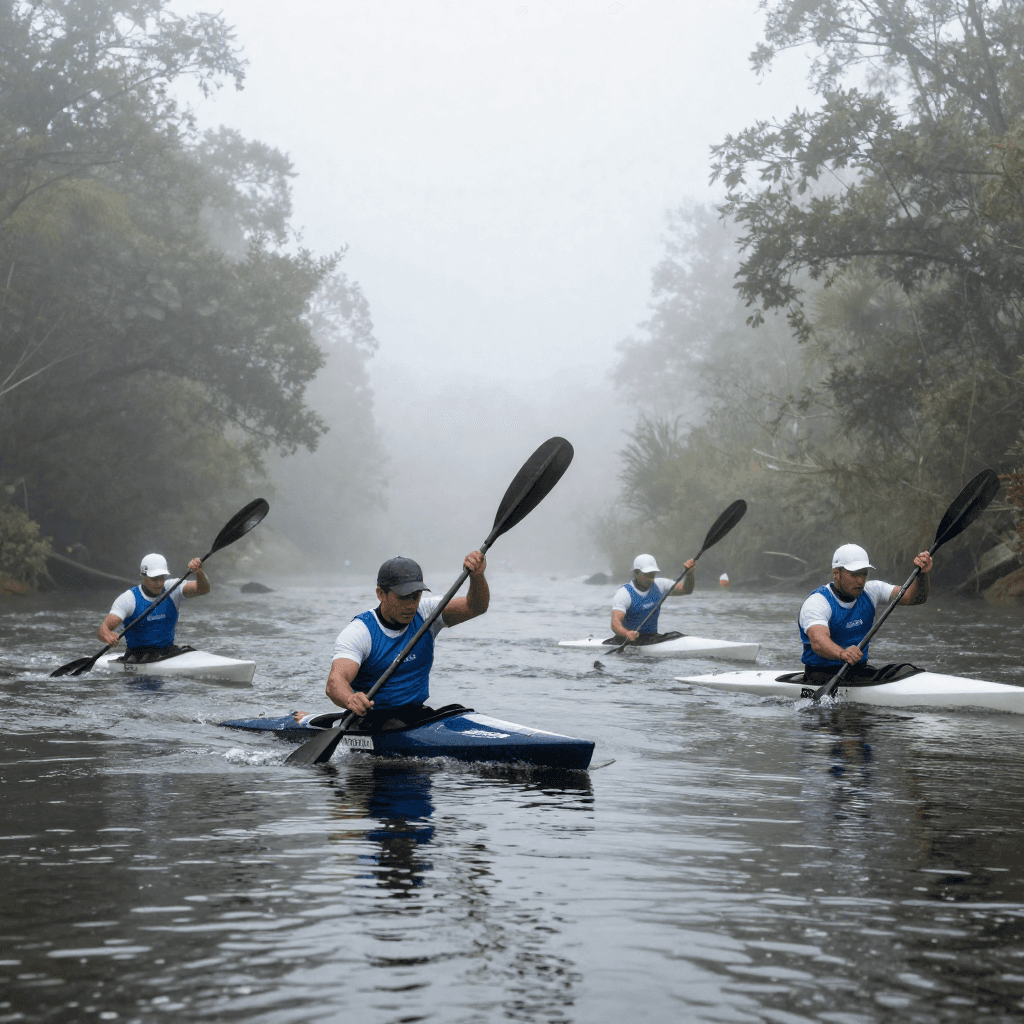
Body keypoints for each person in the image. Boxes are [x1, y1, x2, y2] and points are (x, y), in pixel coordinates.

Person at [326, 552, 488, 725]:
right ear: (381, 594)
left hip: (415, 714)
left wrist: (477, 577)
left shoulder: (427, 613)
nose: (411, 605)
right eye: (403, 597)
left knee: (458, 711)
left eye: (415, 595)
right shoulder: (360, 632)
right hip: (371, 718)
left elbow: (475, 607)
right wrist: (351, 699)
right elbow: (335, 683)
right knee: (394, 724)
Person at [799, 543, 933, 683]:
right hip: (822, 676)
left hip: (858, 671)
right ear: (836, 574)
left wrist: (922, 575)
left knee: (905, 669)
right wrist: (842, 653)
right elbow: (819, 642)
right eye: (854, 574)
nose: (860, 580)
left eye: (864, 574)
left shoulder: (872, 591)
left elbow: (915, 598)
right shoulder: (818, 602)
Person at [97, 553, 210, 663]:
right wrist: (107, 635)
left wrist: (198, 572)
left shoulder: (173, 588)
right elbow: (103, 629)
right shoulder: (129, 599)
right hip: (138, 657)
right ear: (143, 576)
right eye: (154, 579)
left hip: (168, 651)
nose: (159, 583)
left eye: (162, 578)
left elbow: (203, 589)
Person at [610, 553, 697, 643]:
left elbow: (686, 590)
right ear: (636, 572)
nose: (650, 578)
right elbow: (615, 624)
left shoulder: (660, 585)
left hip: (651, 637)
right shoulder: (624, 594)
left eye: (652, 574)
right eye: (647, 574)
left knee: (676, 635)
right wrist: (627, 633)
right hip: (626, 640)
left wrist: (689, 574)